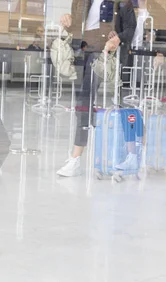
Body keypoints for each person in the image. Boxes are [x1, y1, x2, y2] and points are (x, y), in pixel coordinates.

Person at [56, 0, 136, 177]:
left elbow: (131, 29)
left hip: (111, 55)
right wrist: (67, 22)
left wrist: (118, 38)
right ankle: (76, 158)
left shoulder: (122, 2)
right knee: (83, 105)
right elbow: (77, 29)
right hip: (87, 54)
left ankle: (131, 155)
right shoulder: (82, 2)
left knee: (124, 105)